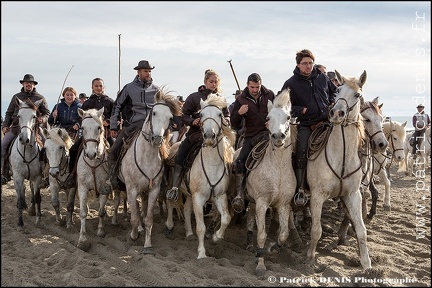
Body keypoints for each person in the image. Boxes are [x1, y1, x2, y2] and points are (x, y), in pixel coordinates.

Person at [280, 49, 336, 205]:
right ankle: (300, 189)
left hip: (327, 121)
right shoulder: (290, 83)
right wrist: (299, 110)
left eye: (310, 63)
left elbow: (334, 93)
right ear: (298, 65)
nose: (308, 66)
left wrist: (331, 102)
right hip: (306, 124)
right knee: (301, 152)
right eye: (304, 63)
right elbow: (282, 103)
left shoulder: (322, 78)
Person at [166, 69, 230, 201]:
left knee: (230, 158)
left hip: (217, 136)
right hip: (195, 134)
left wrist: (226, 120)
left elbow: (227, 115)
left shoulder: (220, 99)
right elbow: (183, 115)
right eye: (211, 81)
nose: (213, 84)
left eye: (215, 82)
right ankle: (175, 187)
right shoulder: (194, 97)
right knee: (180, 155)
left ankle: (229, 188)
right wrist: (192, 121)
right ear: (205, 82)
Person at [103, 60, 160, 193]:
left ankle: (164, 183)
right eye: (145, 71)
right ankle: (112, 180)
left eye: (149, 71)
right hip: (133, 126)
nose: (148, 73)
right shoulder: (129, 88)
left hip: (153, 128)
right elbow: (117, 106)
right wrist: (113, 127)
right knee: (113, 152)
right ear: (138, 72)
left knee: (166, 154)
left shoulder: (157, 90)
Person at [229, 73, 275, 213]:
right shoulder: (241, 99)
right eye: (252, 87)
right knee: (240, 161)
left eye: (257, 86)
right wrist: (239, 113)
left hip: (269, 134)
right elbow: (234, 123)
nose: (255, 90)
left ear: (261, 84)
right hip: (250, 135)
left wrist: (271, 122)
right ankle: (239, 194)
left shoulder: (270, 94)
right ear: (248, 85)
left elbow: (278, 111)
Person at [65, 77, 115, 189]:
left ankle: (113, 177)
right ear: (92, 87)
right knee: (73, 150)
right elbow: (81, 117)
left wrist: (108, 121)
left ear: (104, 87)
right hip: (88, 135)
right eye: (96, 86)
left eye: (100, 86)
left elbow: (115, 116)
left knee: (114, 150)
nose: (98, 88)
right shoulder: (87, 103)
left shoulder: (110, 101)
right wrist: (78, 124)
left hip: (105, 133)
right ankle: (72, 176)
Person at [1, 74, 50, 185]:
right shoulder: (16, 97)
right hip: (16, 127)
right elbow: (9, 113)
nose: (29, 84)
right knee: (3, 145)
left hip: (35, 128)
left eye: (31, 83)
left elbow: (47, 113)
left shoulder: (40, 98)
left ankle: (46, 175)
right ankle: (5, 173)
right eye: (26, 82)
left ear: (34, 85)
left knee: (48, 146)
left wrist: (42, 119)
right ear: (23, 84)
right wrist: (5, 125)